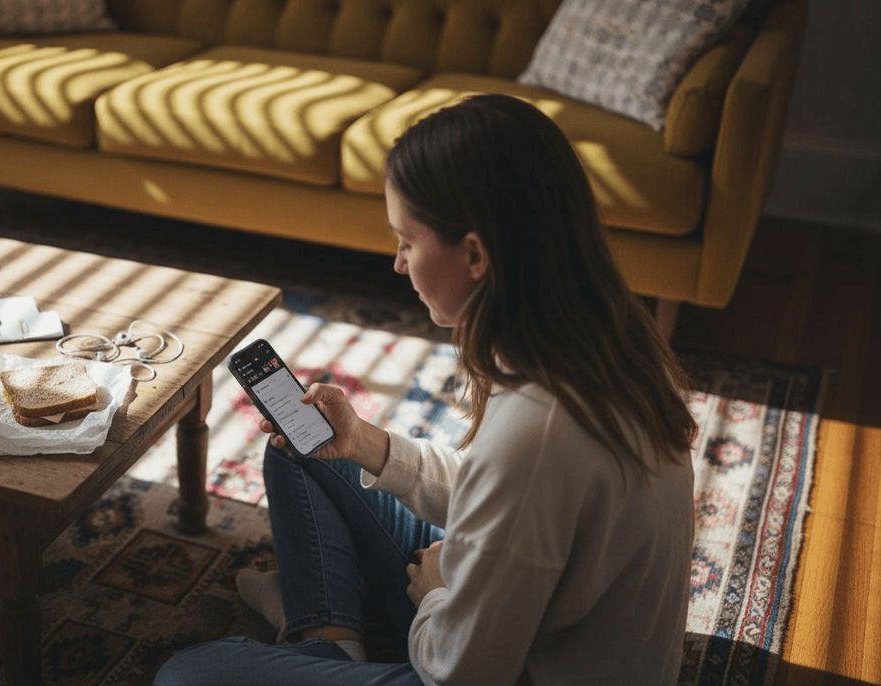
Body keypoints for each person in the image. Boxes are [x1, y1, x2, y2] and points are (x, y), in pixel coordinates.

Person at [154, 94, 697, 685]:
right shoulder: (602, 341)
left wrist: (436, 594)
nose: (397, 263)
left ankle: (323, 636)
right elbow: (503, 503)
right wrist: (364, 442)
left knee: (186, 675)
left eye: (407, 242)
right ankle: (330, 639)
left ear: (474, 254)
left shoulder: (538, 431)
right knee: (308, 452)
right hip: (534, 622)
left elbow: (463, 673)